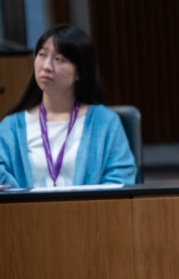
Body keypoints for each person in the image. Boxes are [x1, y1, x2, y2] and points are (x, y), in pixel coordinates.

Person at [0, 25, 136, 188]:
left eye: (59, 59)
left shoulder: (105, 122)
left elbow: (120, 181)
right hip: (27, 214)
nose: (46, 66)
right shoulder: (11, 127)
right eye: (42, 55)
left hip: (90, 213)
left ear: (79, 72)